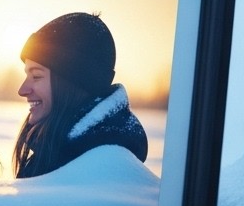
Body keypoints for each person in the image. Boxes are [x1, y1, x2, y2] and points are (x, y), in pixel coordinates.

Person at [13, 12, 149, 179]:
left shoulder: (100, 173)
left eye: (36, 76)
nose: (22, 90)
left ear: (73, 82)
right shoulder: (57, 150)